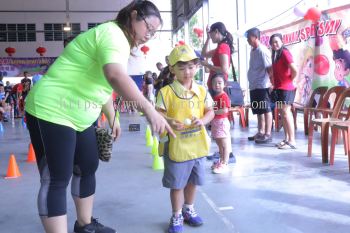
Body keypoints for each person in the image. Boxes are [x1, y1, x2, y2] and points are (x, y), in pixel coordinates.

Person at [24, 1, 173, 233]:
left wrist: (112, 117)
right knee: (56, 177)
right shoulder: (112, 34)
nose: (149, 36)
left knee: (87, 165)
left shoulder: (120, 41)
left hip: (80, 116)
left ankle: (84, 225)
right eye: (148, 29)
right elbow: (114, 76)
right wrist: (149, 110)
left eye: (154, 33)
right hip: (51, 109)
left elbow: (102, 84)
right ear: (134, 15)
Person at [156, 44, 214, 233]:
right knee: (177, 184)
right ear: (172, 69)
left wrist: (203, 120)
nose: (187, 72)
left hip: (197, 146)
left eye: (191, 67)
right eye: (181, 68)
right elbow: (158, 114)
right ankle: (177, 215)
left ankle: (189, 209)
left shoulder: (202, 91)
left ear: (197, 67)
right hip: (177, 148)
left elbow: (210, 112)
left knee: (193, 181)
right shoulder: (166, 93)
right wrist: (170, 121)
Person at [269, 33, 298, 149]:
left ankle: (292, 141)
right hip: (279, 89)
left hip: (286, 89)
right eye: (272, 43)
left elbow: (294, 70)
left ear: (282, 41)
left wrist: (289, 80)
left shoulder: (285, 53)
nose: (274, 44)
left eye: (276, 41)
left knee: (286, 113)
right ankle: (286, 139)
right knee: (282, 113)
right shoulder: (276, 55)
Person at [245, 27, 273, 144]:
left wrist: (272, 83)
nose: (247, 40)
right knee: (258, 110)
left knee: (266, 109)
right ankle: (260, 131)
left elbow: (270, 69)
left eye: (249, 37)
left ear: (256, 37)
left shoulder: (263, 50)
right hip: (254, 85)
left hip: (262, 85)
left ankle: (267, 133)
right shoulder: (253, 50)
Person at [200, 22, 234, 97]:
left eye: (210, 34)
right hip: (216, 85)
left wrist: (208, 65)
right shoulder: (219, 48)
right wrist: (208, 38)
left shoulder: (222, 47)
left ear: (216, 32)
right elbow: (204, 54)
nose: (210, 36)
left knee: (217, 107)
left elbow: (224, 69)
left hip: (217, 85)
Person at [210, 73, 231, 173]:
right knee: (219, 143)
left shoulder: (223, 96)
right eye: (214, 83)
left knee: (224, 144)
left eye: (219, 83)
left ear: (224, 84)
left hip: (221, 122)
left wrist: (213, 112)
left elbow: (225, 110)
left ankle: (225, 163)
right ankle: (221, 160)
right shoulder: (215, 96)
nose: (217, 85)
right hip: (215, 122)